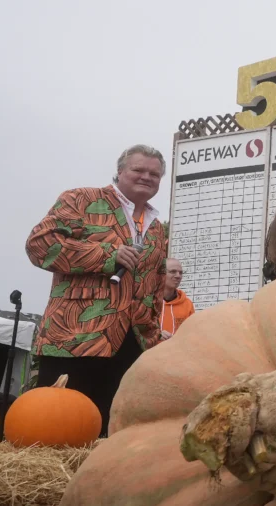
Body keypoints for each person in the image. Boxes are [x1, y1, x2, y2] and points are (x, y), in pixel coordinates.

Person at [25, 144, 168, 437]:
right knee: (57, 430)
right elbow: (39, 246)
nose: (146, 177)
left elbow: (154, 285)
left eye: (154, 174)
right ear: (120, 171)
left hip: (134, 343)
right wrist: (106, 256)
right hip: (76, 336)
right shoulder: (81, 199)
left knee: (111, 433)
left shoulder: (156, 228)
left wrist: (153, 337)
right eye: (138, 170)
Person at [159, 258, 194, 340]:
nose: (178, 276)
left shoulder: (187, 304)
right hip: (150, 352)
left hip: (176, 352)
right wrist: (156, 334)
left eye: (181, 273)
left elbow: (192, 334)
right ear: (161, 274)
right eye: (173, 271)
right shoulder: (147, 301)